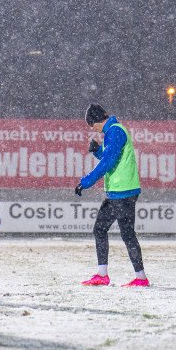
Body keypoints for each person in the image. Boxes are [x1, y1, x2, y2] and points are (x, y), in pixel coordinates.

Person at [74, 104, 148, 287]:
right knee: (126, 234)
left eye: (91, 124)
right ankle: (140, 277)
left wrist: (86, 181)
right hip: (124, 191)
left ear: (96, 120)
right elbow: (112, 158)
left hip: (120, 192)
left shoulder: (114, 132)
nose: (92, 128)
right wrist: (98, 151)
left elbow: (108, 162)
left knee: (101, 230)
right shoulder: (115, 131)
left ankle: (105, 275)